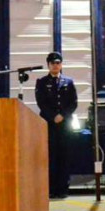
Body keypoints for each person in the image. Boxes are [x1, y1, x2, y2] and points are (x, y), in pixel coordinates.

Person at [34, 51, 78, 199]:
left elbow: (73, 103)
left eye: (58, 63)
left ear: (61, 64)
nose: (55, 65)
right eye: (52, 63)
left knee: (64, 156)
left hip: (65, 125)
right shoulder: (42, 82)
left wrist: (62, 115)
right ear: (48, 65)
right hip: (49, 124)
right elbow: (41, 103)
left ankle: (63, 189)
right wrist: (53, 116)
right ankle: (51, 189)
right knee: (51, 156)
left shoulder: (68, 82)